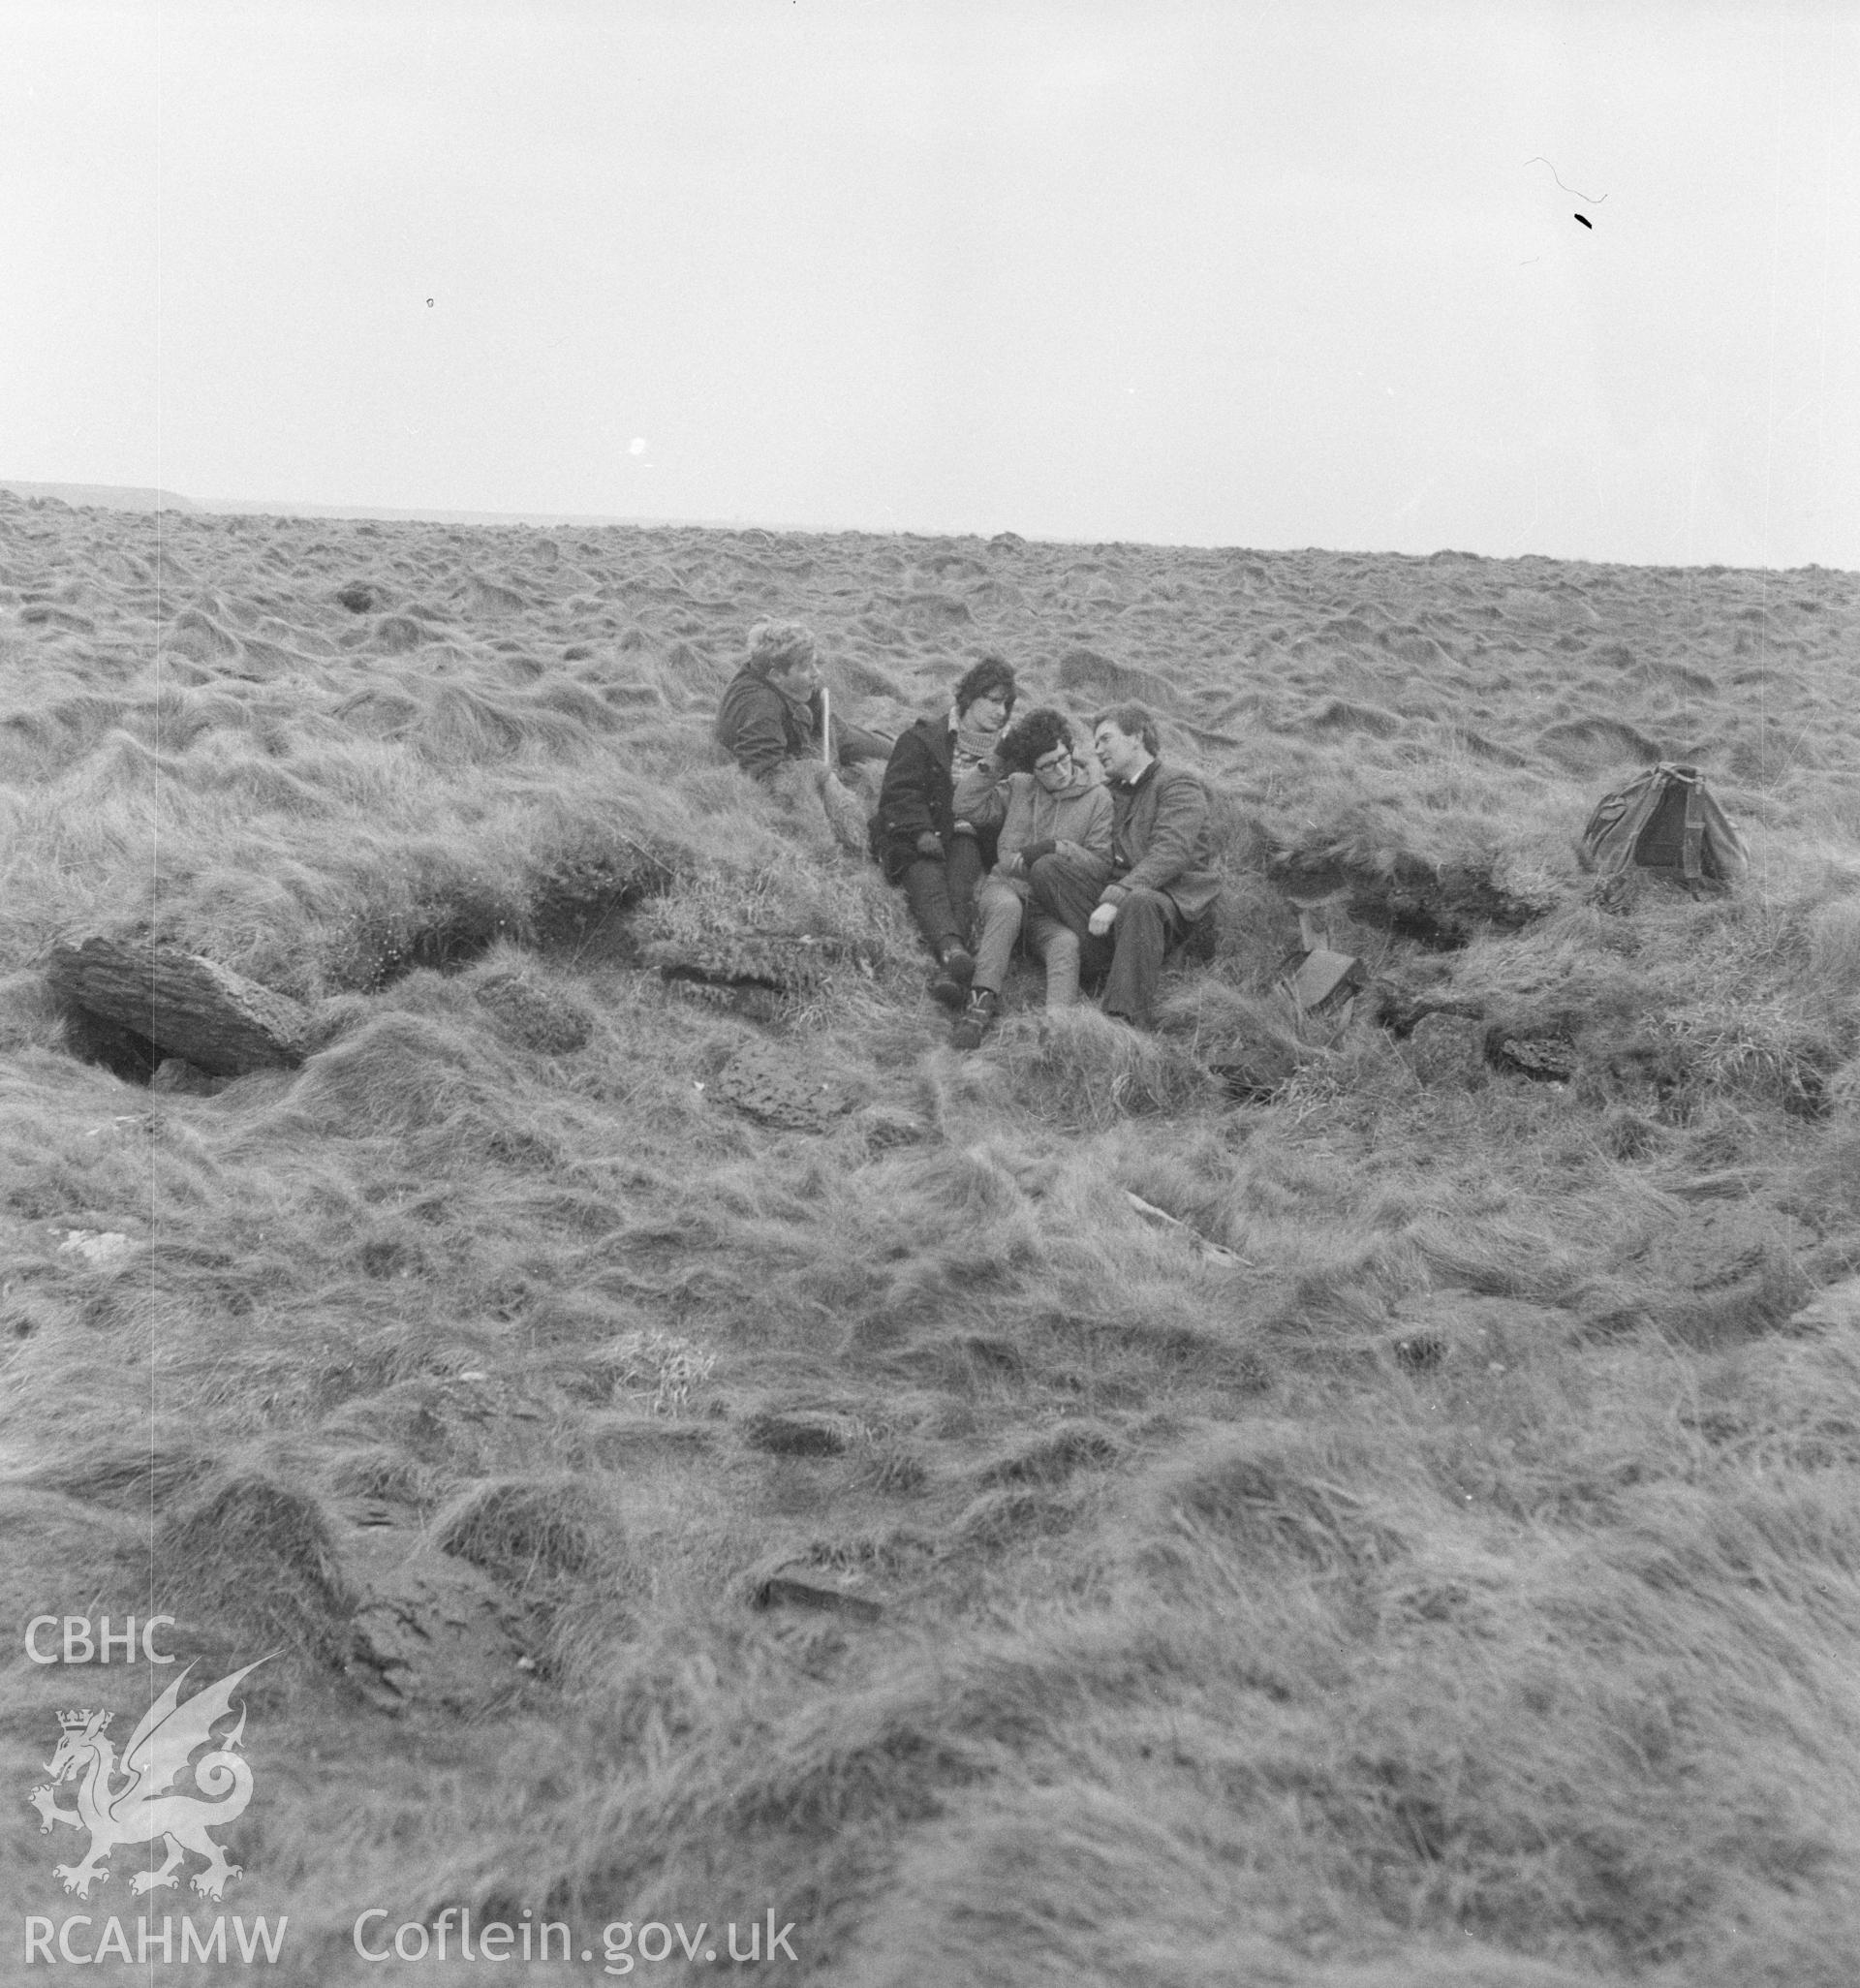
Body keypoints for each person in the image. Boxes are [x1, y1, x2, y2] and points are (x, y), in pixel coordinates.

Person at [1024, 702, 1220, 1029]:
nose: (1097, 750)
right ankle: (1104, 968)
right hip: (1114, 898)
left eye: (1105, 739)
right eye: (1095, 743)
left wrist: (1119, 893)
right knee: (1047, 869)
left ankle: (1122, 1020)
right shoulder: (1107, 793)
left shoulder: (1179, 784)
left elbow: (1171, 853)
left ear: (1137, 737)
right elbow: (1094, 853)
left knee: (1139, 901)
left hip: (1170, 901)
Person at [946, 707, 1113, 1048]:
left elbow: (1100, 865)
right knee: (1007, 907)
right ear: (1032, 770)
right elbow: (964, 804)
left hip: (1045, 906)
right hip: (1004, 888)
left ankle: (1057, 1033)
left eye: (1064, 758)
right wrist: (998, 757)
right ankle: (978, 1007)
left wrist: (1058, 848)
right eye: (1048, 766)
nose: (1061, 770)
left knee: (1066, 943)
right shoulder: (1021, 787)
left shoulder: (1098, 798)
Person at [872, 653, 1018, 1008]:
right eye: (994, 701)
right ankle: (952, 953)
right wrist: (920, 830)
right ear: (969, 697)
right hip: (919, 832)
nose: (1001, 712)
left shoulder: (1012, 750)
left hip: (970, 834)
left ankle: (949, 966)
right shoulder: (923, 738)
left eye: (1008, 704)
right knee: (924, 874)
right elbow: (900, 791)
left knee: (960, 882)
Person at [714, 619, 891, 854]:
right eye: (807, 667)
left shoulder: (773, 677)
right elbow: (763, 773)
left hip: (824, 732)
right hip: (800, 745)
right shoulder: (761, 707)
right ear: (776, 675)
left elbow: (816, 704)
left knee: (897, 752)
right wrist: (819, 771)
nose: (817, 673)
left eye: (815, 664)